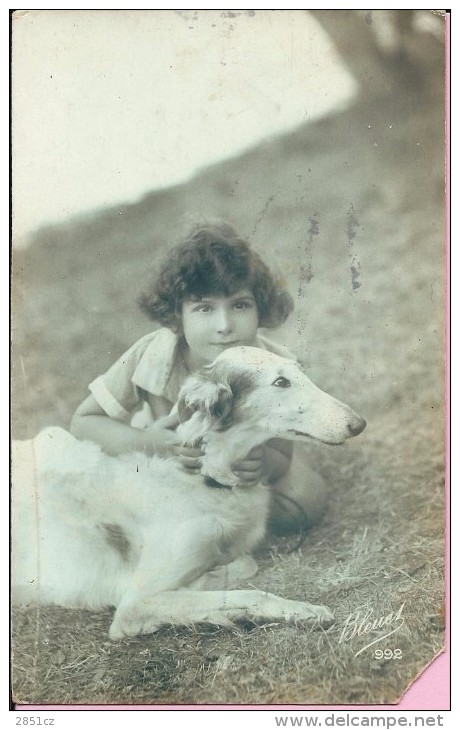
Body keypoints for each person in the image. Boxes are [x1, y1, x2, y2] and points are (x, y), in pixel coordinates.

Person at [70, 222, 328, 532]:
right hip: (168, 466)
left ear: (261, 309)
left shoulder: (276, 367)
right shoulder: (151, 355)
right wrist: (147, 442)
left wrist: (266, 464)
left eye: (240, 305)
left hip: (235, 472)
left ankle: (229, 524)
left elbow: (281, 452)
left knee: (303, 501)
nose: (224, 325)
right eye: (205, 308)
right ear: (177, 315)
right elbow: (84, 421)